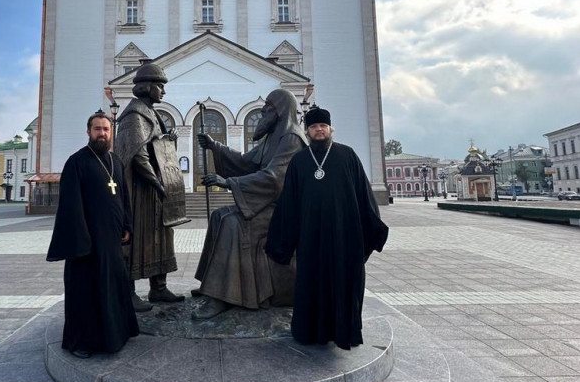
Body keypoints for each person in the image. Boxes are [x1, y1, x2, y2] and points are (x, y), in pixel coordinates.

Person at [265, 106, 389, 350]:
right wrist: (281, 241)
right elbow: (289, 202)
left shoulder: (347, 155)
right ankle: (309, 332)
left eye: (322, 126)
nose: (318, 130)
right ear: (307, 131)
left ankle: (344, 332)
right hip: (310, 237)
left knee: (344, 283)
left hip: (346, 236)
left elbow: (364, 195)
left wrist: (372, 229)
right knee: (311, 282)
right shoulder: (299, 161)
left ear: (331, 128)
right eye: (313, 127)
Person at [192, 89, 307, 320]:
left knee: (233, 223)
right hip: (267, 205)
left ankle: (221, 297)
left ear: (280, 110)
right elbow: (246, 162)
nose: (263, 109)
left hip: (283, 212)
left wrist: (228, 182)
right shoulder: (273, 137)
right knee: (218, 216)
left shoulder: (292, 138)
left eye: (268, 105)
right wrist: (216, 147)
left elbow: (274, 178)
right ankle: (212, 285)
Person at [46, 112, 138, 358]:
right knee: (86, 292)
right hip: (86, 244)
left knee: (112, 288)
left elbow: (123, 197)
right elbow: (70, 206)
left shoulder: (115, 162)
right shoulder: (76, 162)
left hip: (112, 241)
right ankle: (82, 342)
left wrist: (127, 225)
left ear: (111, 132)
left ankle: (116, 335)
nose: (102, 133)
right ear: (88, 132)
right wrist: (81, 240)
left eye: (106, 129)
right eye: (97, 129)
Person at [114, 63, 189, 312]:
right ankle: (129, 291)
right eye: (160, 86)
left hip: (155, 191)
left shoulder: (152, 113)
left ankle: (158, 288)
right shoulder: (134, 114)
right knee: (138, 239)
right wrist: (157, 182)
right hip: (140, 192)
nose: (163, 92)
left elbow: (155, 147)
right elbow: (138, 155)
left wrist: (169, 142)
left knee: (162, 236)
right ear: (146, 87)